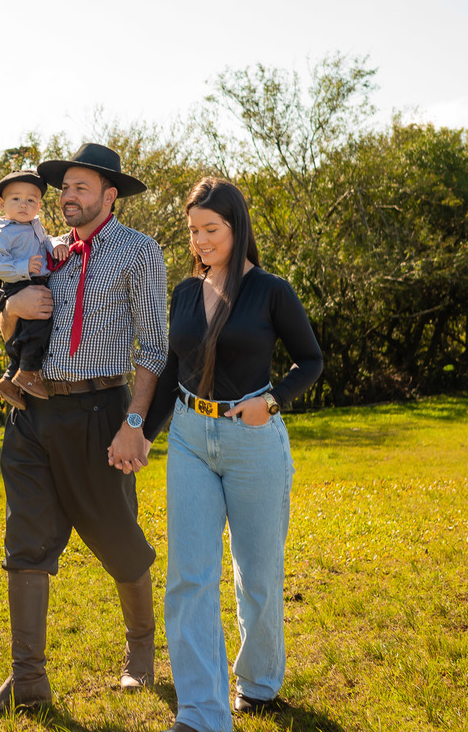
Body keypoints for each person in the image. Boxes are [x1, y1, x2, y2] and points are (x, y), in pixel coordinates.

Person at [0, 143, 168, 712]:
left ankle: (140, 654)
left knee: (116, 535)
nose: (68, 197)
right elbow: (10, 325)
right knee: (26, 541)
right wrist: (13, 310)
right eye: (65, 188)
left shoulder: (139, 251)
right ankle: (28, 681)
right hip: (31, 412)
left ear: (110, 195)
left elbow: (155, 349)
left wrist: (135, 423)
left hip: (98, 412)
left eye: (82, 187)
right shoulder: (43, 249)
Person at [137, 177, 323, 732]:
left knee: (257, 575)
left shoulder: (271, 291)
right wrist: (142, 432)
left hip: (252, 442)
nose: (200, 241)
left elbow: (310, 360)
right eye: (193, 230)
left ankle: (259, 684)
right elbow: (174, 367)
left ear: (236, 227)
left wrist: (273, 400)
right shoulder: (185, 293)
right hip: (190, 438)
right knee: (188, 577)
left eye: (211, 229)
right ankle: (202, 712)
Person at [0, 170, 70, 410]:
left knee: (25, 331)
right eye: (16, 198)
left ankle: (9, 380)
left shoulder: (35, 226)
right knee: (38, 325)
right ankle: (29, 373)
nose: (24, 204)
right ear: (2, 203)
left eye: (31, 200)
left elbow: (46, 241)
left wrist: (57, 244)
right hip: (17, 283)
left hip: (34, 281)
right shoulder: (0, 234)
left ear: (39, 206)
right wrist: (23, 267)